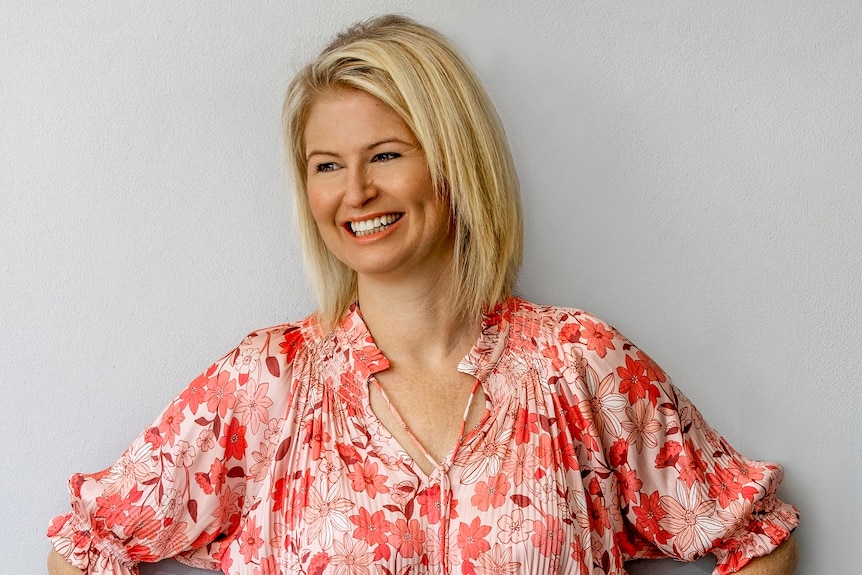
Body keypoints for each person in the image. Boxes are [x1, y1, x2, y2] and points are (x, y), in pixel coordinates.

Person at [47, 15, 799, 575]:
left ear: (452, 162)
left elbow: (758, 534)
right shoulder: (266, 383)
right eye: (326, 165)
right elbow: (84, 542)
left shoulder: (578, 364)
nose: (356, 191)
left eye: (384, 154)